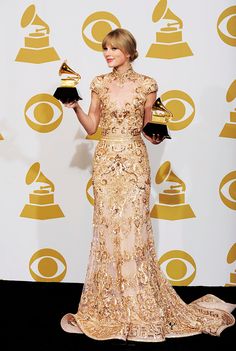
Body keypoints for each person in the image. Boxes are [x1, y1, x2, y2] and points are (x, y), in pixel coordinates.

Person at [60, 28, 235, 342]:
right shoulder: (98, 83)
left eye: (113, 48)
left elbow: (148, 131)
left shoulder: (146, 84)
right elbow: (92, 127)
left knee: (134, 230)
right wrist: (75, 107)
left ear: (128, 51)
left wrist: (157, 133)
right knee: (108, 228)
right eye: (105, 49)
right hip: (105, 161)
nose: (107, 54)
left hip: (133, 163)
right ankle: (109, 304)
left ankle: (140, 302)